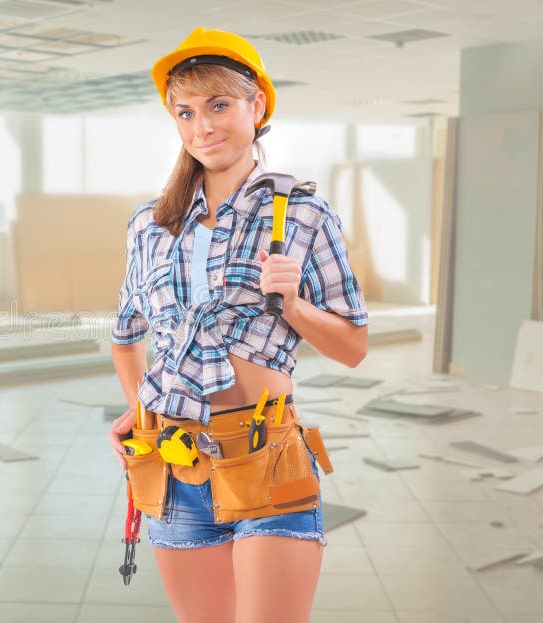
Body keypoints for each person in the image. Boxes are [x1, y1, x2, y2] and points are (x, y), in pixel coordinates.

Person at [108, 27, 368, 623]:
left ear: (258, 106)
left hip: (267, 460)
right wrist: (140, 407)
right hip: (174, 466)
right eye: (186, 112)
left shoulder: (301, 212)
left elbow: (354, 347)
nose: (204, 126)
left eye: (219, 105)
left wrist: (295, 306)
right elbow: (126, 333)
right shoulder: (149, 224)